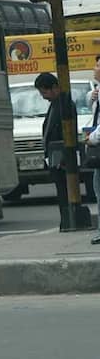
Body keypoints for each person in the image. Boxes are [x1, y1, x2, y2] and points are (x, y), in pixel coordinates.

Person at [34, 72, 74, 230]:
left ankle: (68, 220)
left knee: (65, 191)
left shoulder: (65, 105)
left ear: (55, 88)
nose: (44, 97)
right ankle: (65, 220)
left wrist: (64, 156)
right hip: (54, 156)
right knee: (61, 190)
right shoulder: (54, 105)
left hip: (62, 157)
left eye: (45, 92)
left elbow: (67, 132)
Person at [85, 57, 100, 244]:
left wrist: (92, 138)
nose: (94, 68)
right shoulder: (96, 91)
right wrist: (92, 96)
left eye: (98, 66)